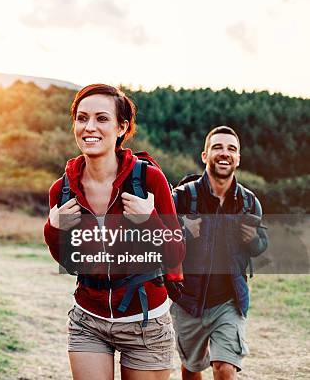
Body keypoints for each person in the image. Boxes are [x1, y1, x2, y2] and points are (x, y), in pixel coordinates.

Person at [43, 84, 185, 380]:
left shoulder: (148, 180)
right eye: (82, 118)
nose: (89, 127)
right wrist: (54, 230)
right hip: (88, 320)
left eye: (101, 119)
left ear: (122, 127)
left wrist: (150, 222)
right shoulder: (62, 189)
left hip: (145, 323)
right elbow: (70, 263)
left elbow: (176, 254)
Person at [171, 126, 269, 380]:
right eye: (217, 147)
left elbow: (262, 244)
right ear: (205, 155)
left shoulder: (249, 201)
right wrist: (183, 231)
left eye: (231, 149)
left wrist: (253, 240)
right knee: (192, 368)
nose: (224, 153)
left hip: (230, 301)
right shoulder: (182, 197)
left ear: (238, 158)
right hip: (187, 300)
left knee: (224, 368)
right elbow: (157, 240)